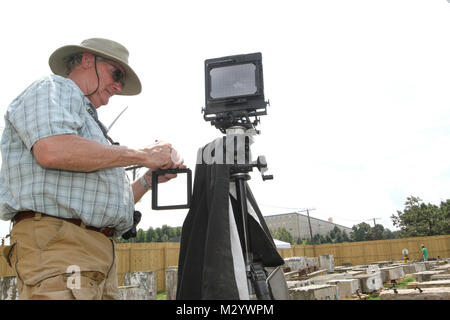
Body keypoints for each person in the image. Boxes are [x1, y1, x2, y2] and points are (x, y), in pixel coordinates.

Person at [0, 38, 185, 300]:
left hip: (95, 256)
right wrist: (143, 155)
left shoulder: (92, 129)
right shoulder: (55, 88)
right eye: (116, 73)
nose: (118, 86)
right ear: (88, 60)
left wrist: (147, 181)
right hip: (61, 248)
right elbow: (52, 150)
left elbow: (99, 205)